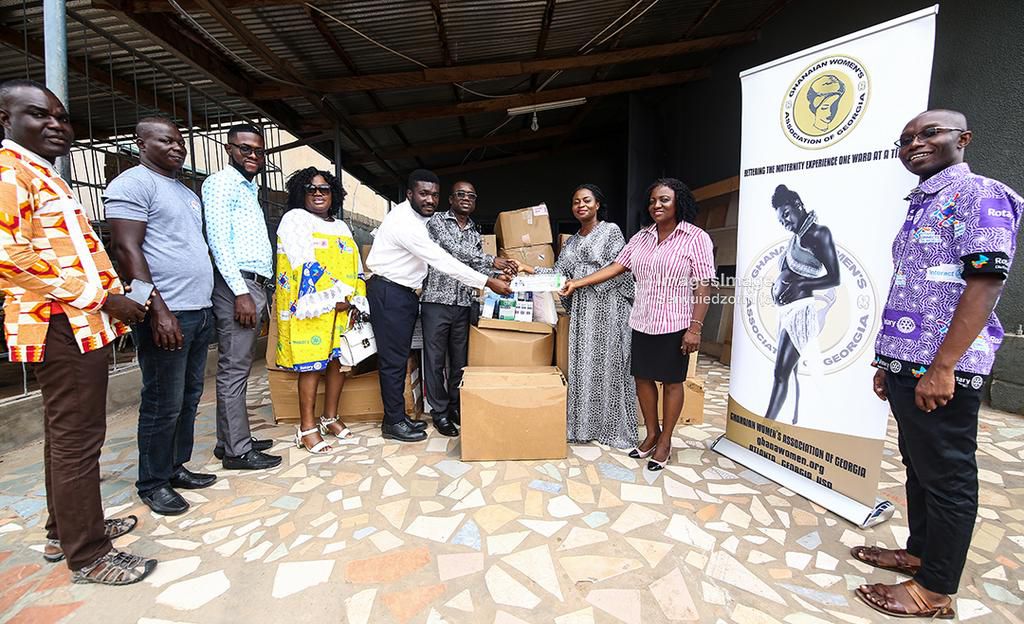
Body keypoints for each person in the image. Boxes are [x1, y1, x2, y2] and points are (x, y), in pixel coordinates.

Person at [853, 110, 1022, 620]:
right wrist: (891, 363)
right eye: (905, 138)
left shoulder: (980, 195)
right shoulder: (924, 203)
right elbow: (918, 286)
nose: (914, 143)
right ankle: (920, 552)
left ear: (963, 139)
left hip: (946, 368)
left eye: (929, 133)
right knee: (919, 466)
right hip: (910, 363)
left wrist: (943, 366)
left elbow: (985, 284)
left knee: (947, 477)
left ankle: (935, 589)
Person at [0, 79, 156, 584]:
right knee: (75, 439)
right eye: (38, 115)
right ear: (6, 119)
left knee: (69, 435)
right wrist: (104, 299)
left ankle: (63, 528)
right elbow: (9, 257)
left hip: (77, 324)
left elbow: (80, 255)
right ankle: (89, 554)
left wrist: (114, 302)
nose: (55, 125)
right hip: (57, 326)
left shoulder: (41, 175)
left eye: (61, 117)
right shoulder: (8, 172)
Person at [560, 178, 714, 470]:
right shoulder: (642, 237)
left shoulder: (695, 238)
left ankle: (666, 440)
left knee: (671, 382)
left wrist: (695, 328)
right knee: (642, 379)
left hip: (675, 322)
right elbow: (617, 267)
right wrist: (577, 283)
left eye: (664, 200)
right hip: (642, 319)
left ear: (678, 202)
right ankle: (651, 434)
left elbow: (703, 285)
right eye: (653, 200)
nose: (657, 205)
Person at [106, 117, 217, 515]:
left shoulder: (185, 192)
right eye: (165, 140)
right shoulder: (133, 184)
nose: (177, 147)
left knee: (188, 396)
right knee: (161, 400)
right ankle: (152, 482)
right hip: (166, 312)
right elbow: (125, 247)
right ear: (140, 142)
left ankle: (175, 467)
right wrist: (158, 308)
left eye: (180, 141)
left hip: (197, 309)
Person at [366, 169, 513, 442]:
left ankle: (398, 417)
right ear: (410, 194)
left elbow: (472, 258)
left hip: (408, 294)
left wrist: (490, 273)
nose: (429, 200)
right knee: (395, 361)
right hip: (391, 292)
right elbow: (443, 260)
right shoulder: (408, 224)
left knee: (403, 359)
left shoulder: (421, 219)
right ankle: (395, 421)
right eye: (423, 194)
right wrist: (488, 281)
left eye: (433, 194)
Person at [518, 184, 637, 448]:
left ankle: (612, 428)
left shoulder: (611, 231)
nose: (580, 205)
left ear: (597, 205)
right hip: (584, 313)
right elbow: (559, 275)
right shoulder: (571, 241)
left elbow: (618, 268)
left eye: (586, 200)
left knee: (611, 366)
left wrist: (579, 282)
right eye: (575, 202)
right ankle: (584, 426)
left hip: (609, 308)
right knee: (584, 367)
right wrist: (527, 268)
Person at [202, 123, 281, 470]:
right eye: (245, 149)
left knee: (240, 367)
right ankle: (237, 451)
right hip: (239, 286)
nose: (252, 156)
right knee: (234, 369)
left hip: (254, 284)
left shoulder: (248, 188)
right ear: (229, 148)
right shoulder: (221, 183)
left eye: (258, 151)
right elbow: (218, 241)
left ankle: (230, 440)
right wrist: (239, 293)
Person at [275, 167, 365, 453]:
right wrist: (333, 297)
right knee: (312, 366)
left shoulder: (341, 226)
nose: (317, 193)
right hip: (310, 307)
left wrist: (355, 299)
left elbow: (356, 267)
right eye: (310, 189)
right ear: (300, 193)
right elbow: (304, 265)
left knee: (338, 363)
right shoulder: (295, 220)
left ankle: (330, 417)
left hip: (343, 306)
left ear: (333, 194)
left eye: (324, 189)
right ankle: (307, 427)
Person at [420, 180, 516, 437]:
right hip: (436, 301)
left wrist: (502, 272)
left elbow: (478, 268)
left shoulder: (475, 232)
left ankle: (454, 406)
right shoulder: (437, 222)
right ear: (450, 199)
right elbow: (455, 252)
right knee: (435, 361)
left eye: (471, 196)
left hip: (463, 302)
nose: (466, 198)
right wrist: (492, 259)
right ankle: (438, 413)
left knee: (459, 362)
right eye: (460, 194)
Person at [765, 184, 840, 424]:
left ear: (798, 204)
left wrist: (801, 286)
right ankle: (793, 419)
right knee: (791, 372)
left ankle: (765, 424)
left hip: (800, 313)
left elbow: (834, 277)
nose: (785, 222)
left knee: (780, 373)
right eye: (780, 220)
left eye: (786, 214)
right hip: (785, 312)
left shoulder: (819, 233)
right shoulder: (796, 238)